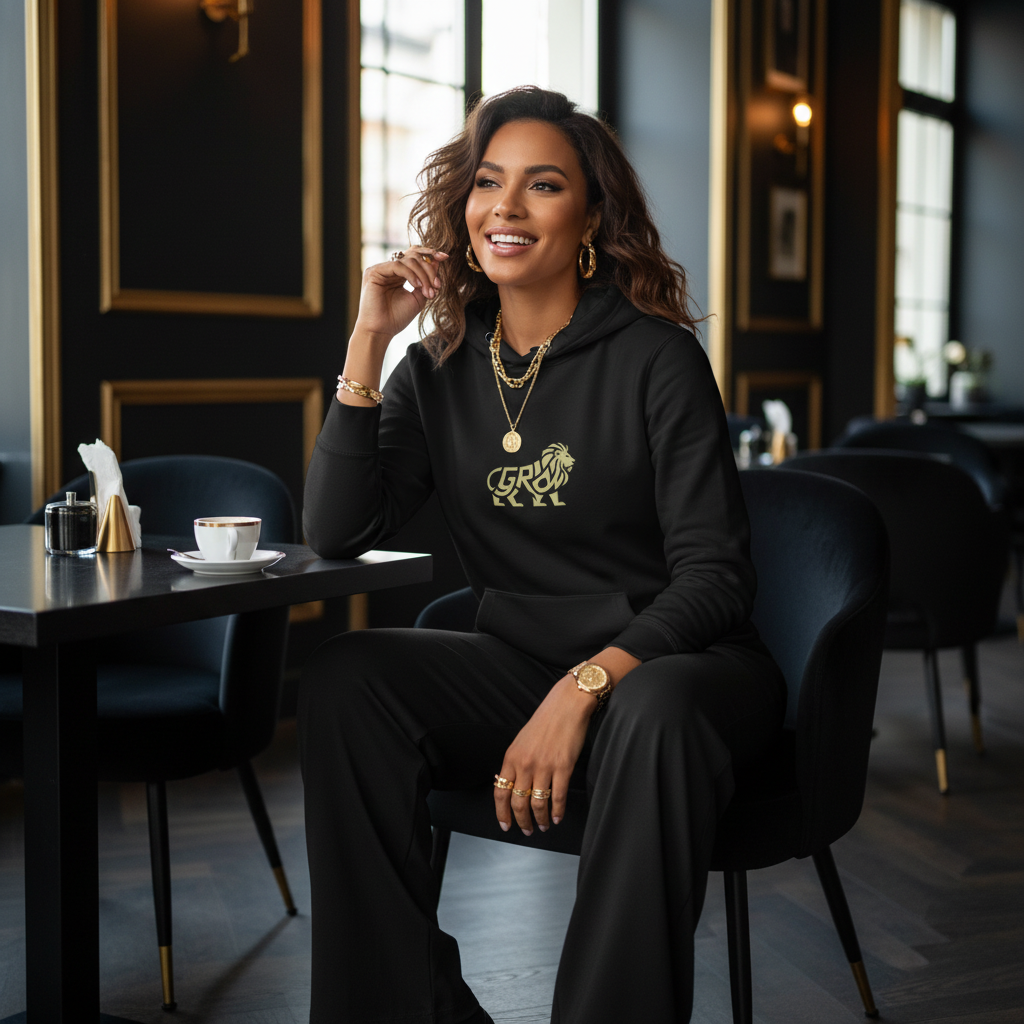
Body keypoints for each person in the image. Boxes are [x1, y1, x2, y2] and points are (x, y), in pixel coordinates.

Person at [299, 86, 785, 1024]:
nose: (506, 209)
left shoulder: (658, 357)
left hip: (680, 667)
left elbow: (717, 576)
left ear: (592, 215)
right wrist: (369, 338)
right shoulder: (436, 367)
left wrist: (586, 685)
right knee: (346, 678)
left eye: (544, 185)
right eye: (488, 183)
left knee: (654, 709)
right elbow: (336, 530)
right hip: (523, 660)